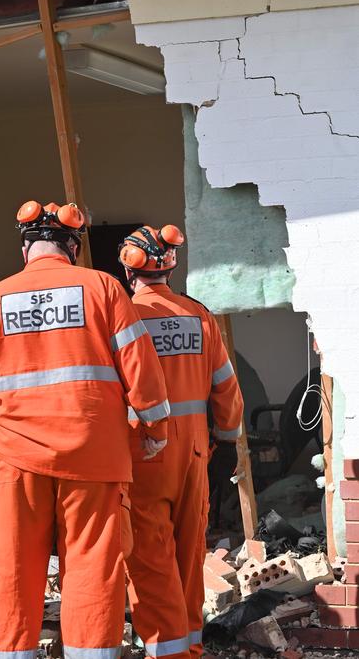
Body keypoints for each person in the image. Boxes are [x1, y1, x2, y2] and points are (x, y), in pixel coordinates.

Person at [0, 200, 169, 659]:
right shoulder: (103, 288)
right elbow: (139, 366)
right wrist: (154, 426)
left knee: (14, 564)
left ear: (25, 247)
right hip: (94, 451)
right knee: (94, 563)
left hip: (17, 456)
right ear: (72, 246)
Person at [117, 224, 244, 659]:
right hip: (195, 456)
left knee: (151, 561)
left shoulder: (124, 319)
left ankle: (165, 650)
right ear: (169, 267)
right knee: (190, 556)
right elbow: (226, 386)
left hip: (144, 456)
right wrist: (226, 444)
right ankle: (190, 646)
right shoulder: (199, 316)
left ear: (129, 269)